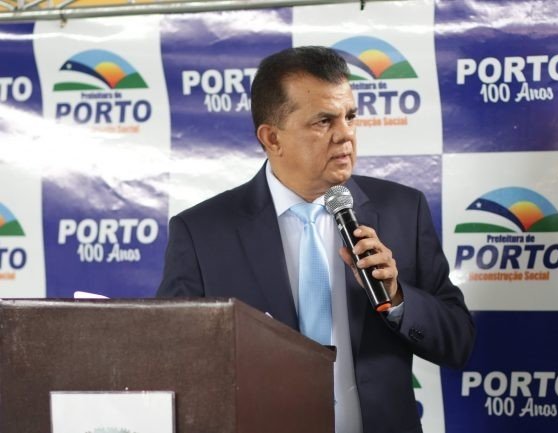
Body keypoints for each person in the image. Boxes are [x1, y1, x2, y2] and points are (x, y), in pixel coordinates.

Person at [157, 46, 475, 433]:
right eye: (324, 121)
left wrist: (397, 298)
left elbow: (458, 342)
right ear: (272, 138)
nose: (345, 135)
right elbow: (171, 363)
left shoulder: (403, 211)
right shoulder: (202, 233)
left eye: (350, 117)